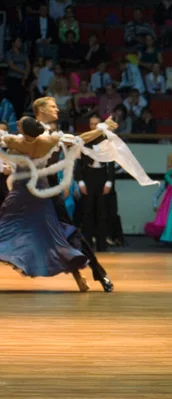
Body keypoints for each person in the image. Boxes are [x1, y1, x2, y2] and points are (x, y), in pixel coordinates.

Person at [0, 116, 114, 288]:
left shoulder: (14, 141)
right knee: (52, 233)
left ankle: (82, 272)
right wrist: (101, 129)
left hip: (23, 192)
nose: (15, 124)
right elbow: (80, 139)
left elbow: (5, 141)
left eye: (19, 123)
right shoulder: (49, 140)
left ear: (24, 129)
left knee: (8, 225)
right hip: (41, 191)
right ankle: (77, 270)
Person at [33, 97, 114, 292]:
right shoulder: (32, 129)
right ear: (41, 110)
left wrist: (102, 130)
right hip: (29, 189)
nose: (57, 110)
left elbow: (79, 139)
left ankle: (97, 271)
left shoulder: (53, 134)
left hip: (49, 188)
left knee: (68, 232)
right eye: (52, 107)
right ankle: (89, 273)